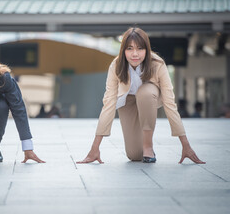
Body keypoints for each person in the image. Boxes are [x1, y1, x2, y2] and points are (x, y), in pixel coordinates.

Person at [77, 27, 205, 164]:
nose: (135, 54)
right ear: (123, 50)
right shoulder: (116, 65)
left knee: (145, 93)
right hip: (128, 101)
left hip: (149, 97)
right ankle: (141, 149)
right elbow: (108, 103)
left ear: (147, 49)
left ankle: (148, 146)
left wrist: (185, 144)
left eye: (140, 49)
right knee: (134, 155)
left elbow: (170, 104)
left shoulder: (158, 64)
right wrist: (94, 148)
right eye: (130, 49)